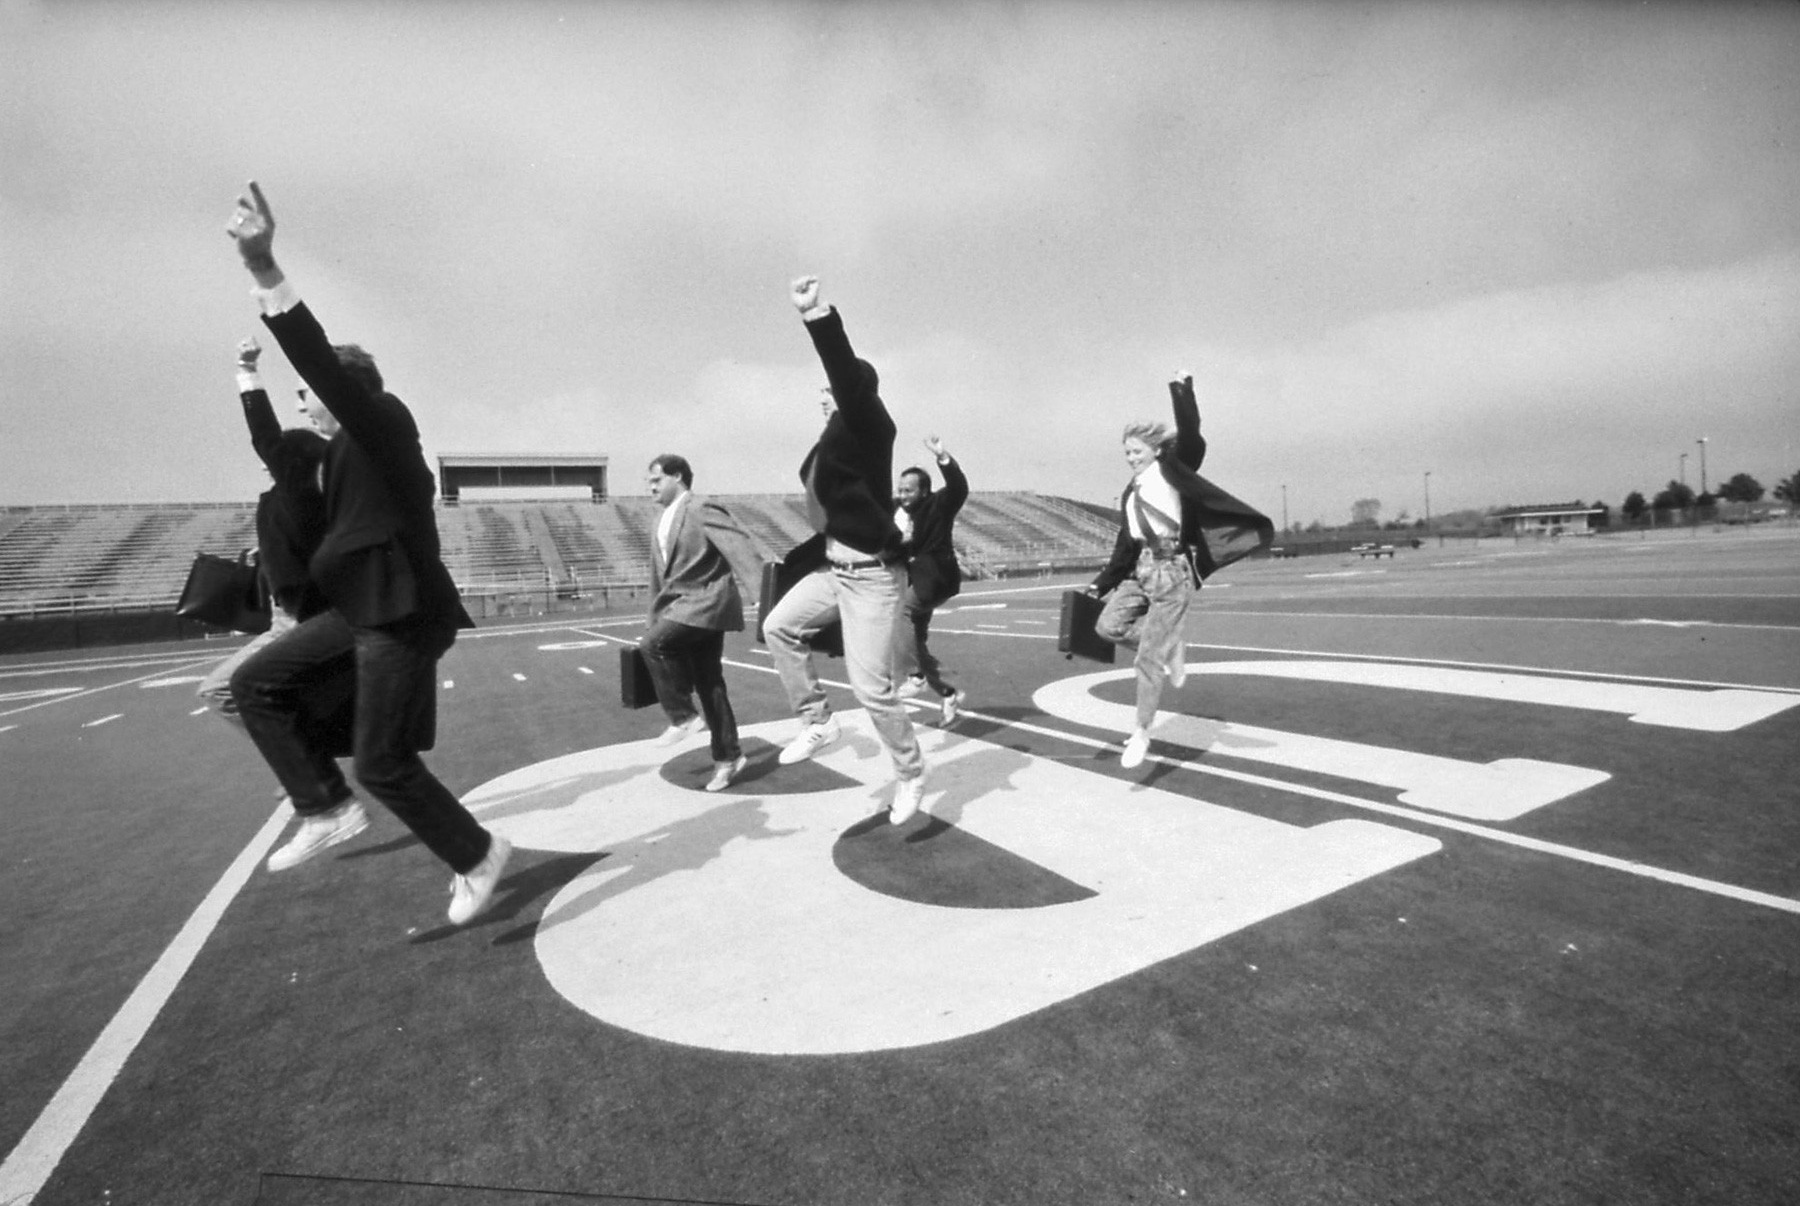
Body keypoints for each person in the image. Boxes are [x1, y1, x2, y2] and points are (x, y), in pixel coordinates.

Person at [224, 180, 511, 926]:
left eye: (311, 395)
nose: (304, 405)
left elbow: (319, 363)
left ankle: (477, 855)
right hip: (359, 612)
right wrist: (246, 380)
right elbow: (277, 452)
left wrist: (264, 269)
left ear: (343, 392)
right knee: (254, 684)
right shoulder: (340, 451)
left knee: (383, 761)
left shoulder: (381, 421)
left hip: (398, 612)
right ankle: (323, 806)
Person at [762, 275, 927, 823]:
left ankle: (909, 774)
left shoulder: (871, 421)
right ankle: (818, 722)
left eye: (832, 389)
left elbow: (845, 375)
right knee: (778, 627)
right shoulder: (835, 435)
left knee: (873, 690)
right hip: (834, 569)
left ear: (856, 391)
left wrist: (817, 316)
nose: (823, 394)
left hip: (873, 578)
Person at [1089, 372, 1273, 770]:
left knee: (1146, 662)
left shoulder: (1172, 470)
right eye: (1126, 453)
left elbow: (1191, 433)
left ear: (1155, 450)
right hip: (1141, 570)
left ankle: (1141, 732)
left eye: (1136, 451)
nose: (1131, 458)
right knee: (1107, 628)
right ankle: (1171, 646)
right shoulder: (1130, 492)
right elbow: (1125, 547)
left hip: (1173, 571)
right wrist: (1097, 585)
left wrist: (1181, 390)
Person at [639, 453, 764, 792]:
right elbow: (657, 576)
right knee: (710, 681)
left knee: (653, 646)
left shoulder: (702, 508)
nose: (650, 486)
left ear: (677, 477)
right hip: (679, 605)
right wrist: (654, 615)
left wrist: (765, 599)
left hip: (708, 600)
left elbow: (740, 549)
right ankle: (728, 758)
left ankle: (683, 717)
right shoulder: (659, 519)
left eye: (656, 480)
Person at [892, 436, 969, 724]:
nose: (903, 495)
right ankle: (949, 691)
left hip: (936, 576)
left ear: (924, 492)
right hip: (918, 581)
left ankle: (914, 677)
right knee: (913, 643)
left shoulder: (938, 505)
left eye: (909, 491)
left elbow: (959, 488)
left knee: (901, 613)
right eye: (900, 490)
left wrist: (942, 457)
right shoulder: (896, 510)